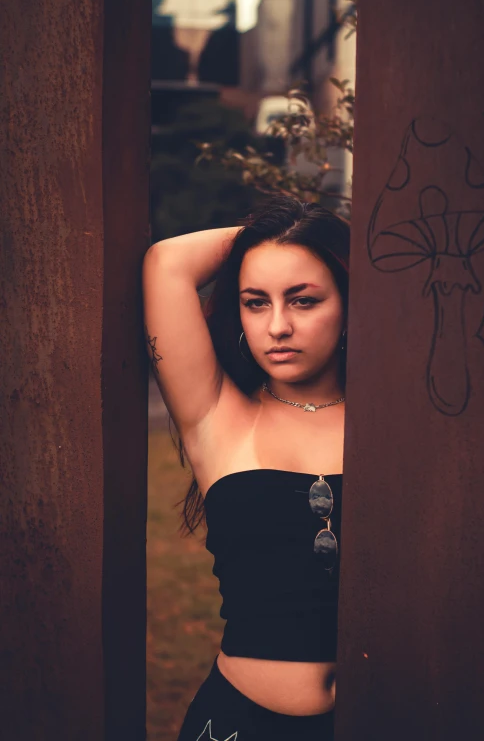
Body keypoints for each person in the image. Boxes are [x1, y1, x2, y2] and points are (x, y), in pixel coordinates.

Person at [142, 196, 350, 740]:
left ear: (349, 304)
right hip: (238, 724)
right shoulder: (218, 416)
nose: (277, 325)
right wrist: (284, 232)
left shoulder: (395, 424)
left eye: (303, 301)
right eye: (256, 302)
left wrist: (328, 239)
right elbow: (168, 262)